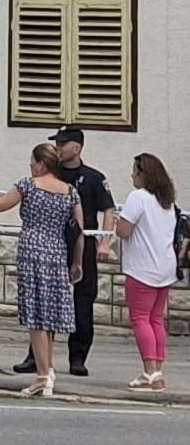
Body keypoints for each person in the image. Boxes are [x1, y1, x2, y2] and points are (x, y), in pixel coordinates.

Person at [0, 142, 83, 397]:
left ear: (41, 163)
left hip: (32, 253)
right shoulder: (70, 192)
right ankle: (48, 369)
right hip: (56, 254)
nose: (30, 165)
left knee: (35, 317)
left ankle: (40, 376)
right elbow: (79, 232)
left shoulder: (28, 185)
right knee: (49, 315)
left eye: (32, 161)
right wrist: (77, 262)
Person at [9, 126, 116, 377]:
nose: (58, 148)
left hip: (82, 244)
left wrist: (105, 242)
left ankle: (77, 357)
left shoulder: (93, 178)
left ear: (76, 148)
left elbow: (108, 210)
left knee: (82, 301)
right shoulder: (52, 176)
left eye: (63, 144)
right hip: (53, 246)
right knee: (44, 300)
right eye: (56, 144)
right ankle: (37, 358)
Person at [115, 153, 179, 391]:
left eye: (135, 171)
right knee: (156, 320)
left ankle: (148, 370)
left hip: (142, 268)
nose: (132, 175)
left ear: (144, 175)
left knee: (140, 319)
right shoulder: (166, 201)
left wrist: (114, 221)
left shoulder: (138, 197)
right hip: (165, 267)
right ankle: (158, 371)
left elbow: (124, 231)